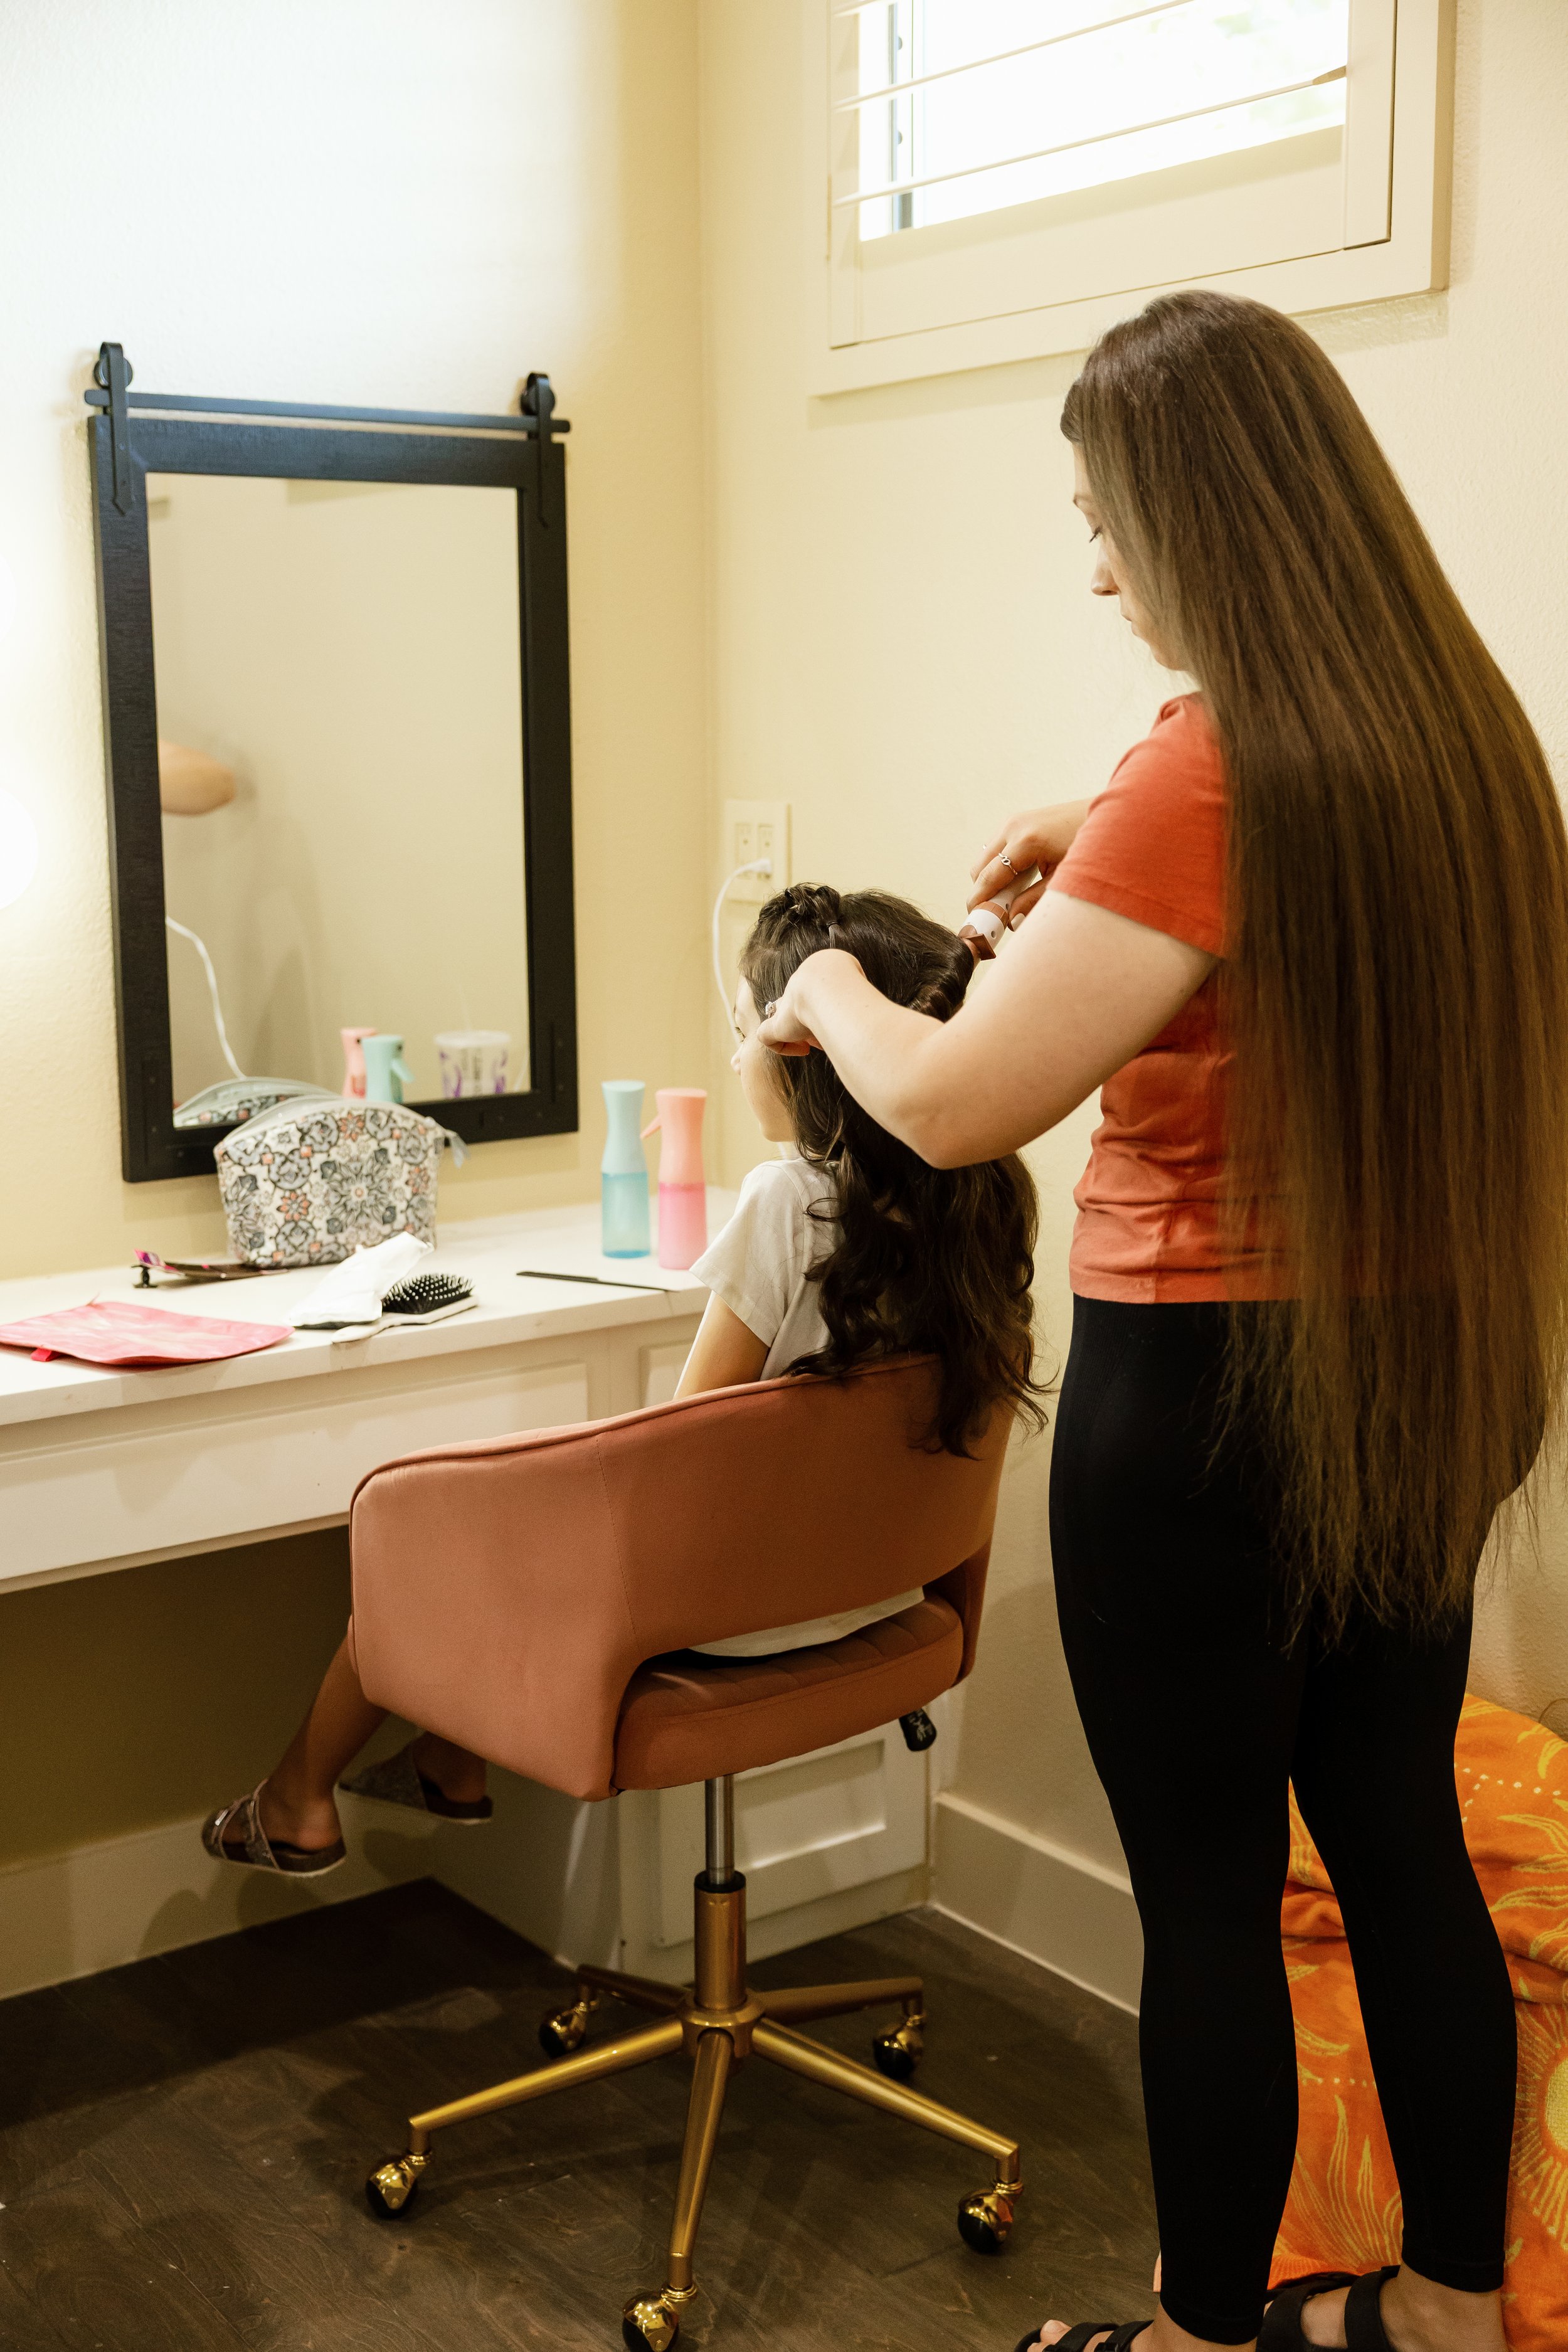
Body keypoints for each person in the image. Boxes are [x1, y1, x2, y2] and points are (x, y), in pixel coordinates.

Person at [755, 290, 1568, 2352]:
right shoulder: (1458, 741)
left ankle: (1207, 2337)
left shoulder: (1210, 772)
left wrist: (824, 994)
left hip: (1206, 1407)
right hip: (1428, 1370)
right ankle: (1456, 2319)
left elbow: (954, 1102)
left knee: (1207, 1897)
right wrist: (1098, 829)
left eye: (1113, 521)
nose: (1099, 567)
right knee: (1396, 1839)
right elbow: (1282, 916)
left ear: (1210, 520)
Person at [202, 885, 1040, 1873]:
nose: (734, 1059)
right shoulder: (982, 1206)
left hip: (736, 1623)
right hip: (881, 1595)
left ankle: (298, 1798)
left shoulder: (787, 1201)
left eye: (743, 1031)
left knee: (416, 1561)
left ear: (808, 1049)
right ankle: (448, 1764)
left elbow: (684, 1454)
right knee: (505, 1544)